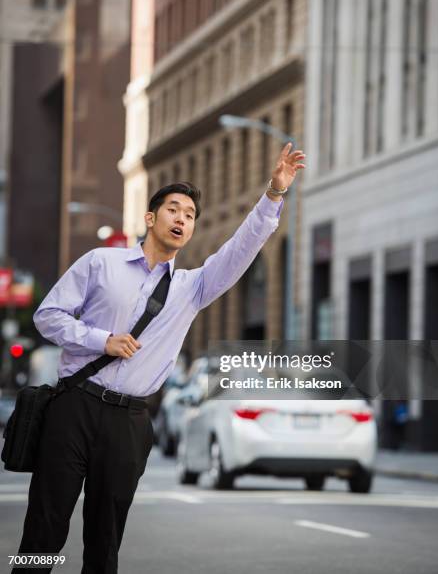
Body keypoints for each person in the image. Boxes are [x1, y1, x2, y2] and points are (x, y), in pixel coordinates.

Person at [12, 143, 305, 573]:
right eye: (173, 209)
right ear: (151, 218)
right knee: (44, 525)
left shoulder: (192, 288)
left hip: (128, 420)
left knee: (106, 536)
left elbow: (240, 250)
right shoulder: (101, 263)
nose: (182, 219)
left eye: (189, 215)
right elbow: (47, 315)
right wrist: (101, 340)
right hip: (73, 406)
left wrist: (273, 196)